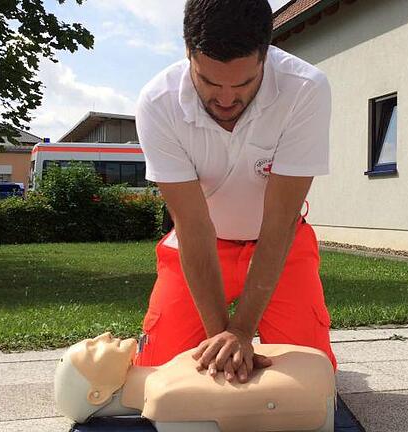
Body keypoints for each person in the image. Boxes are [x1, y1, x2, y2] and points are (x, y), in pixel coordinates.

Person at [135, 0, 336, 383]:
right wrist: (221, 339)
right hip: (198, 245)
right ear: (187, 51)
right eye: (209, 82)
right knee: (157, 374)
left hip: (281, 243)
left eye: (244, 84)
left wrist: (242, 331)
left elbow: (279, 223)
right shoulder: (158, 103)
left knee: (316, 380)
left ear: (266, 54)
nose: (226, 99)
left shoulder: (305, 89)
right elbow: (192, 226)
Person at [54, 332, 336, 431]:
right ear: (96, 395)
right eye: (93, 348)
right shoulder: (164, 398)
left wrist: (236, 333)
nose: (102, 336)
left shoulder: (167, 376)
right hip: (310, 387)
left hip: (310, 376)